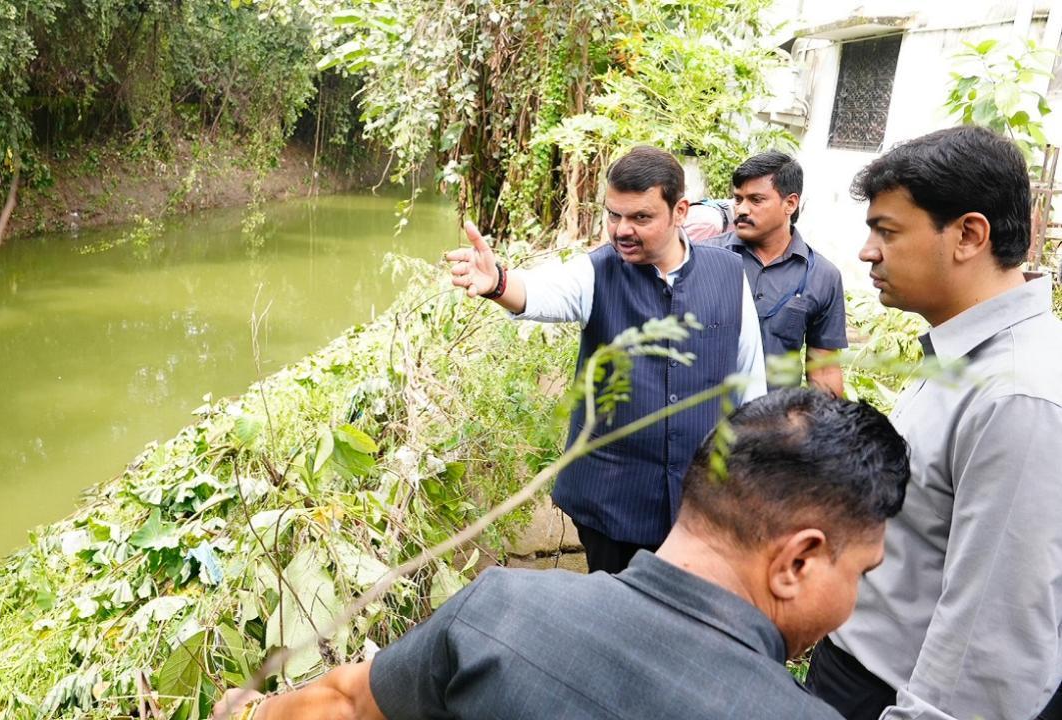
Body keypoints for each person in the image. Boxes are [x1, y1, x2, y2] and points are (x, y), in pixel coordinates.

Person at [214, 389, 911, 720]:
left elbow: (340, 702)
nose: (854, 605)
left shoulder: (502, 606)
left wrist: (248, 712)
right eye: (860, 573)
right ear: (796, 561)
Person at [805, 125, 1062, 720]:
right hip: (857, 660)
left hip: (893, 692)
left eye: (887, 231)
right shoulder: (964, 353)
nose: (868, 251)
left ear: (969, 235)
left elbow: (992, 637)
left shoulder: (1018, 395)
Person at [443, 145, 767, 574]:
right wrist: (499, 282)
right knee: (611, 616)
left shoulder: (728, 274)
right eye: (614, 215)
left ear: (680, 211)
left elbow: (749, 382)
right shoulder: (596, 272)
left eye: (641, 217)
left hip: (698, 506)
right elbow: (544, 293)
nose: (622, 230)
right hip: (611, 504)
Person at [709, 152, 847, 395]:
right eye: (738, 199)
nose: (741, 209)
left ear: (790, 204)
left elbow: (824, 369)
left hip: (772, 423)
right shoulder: (707, 258)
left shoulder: (822, 276)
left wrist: (830, 427)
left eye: (756, 200)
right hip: (705, 416)